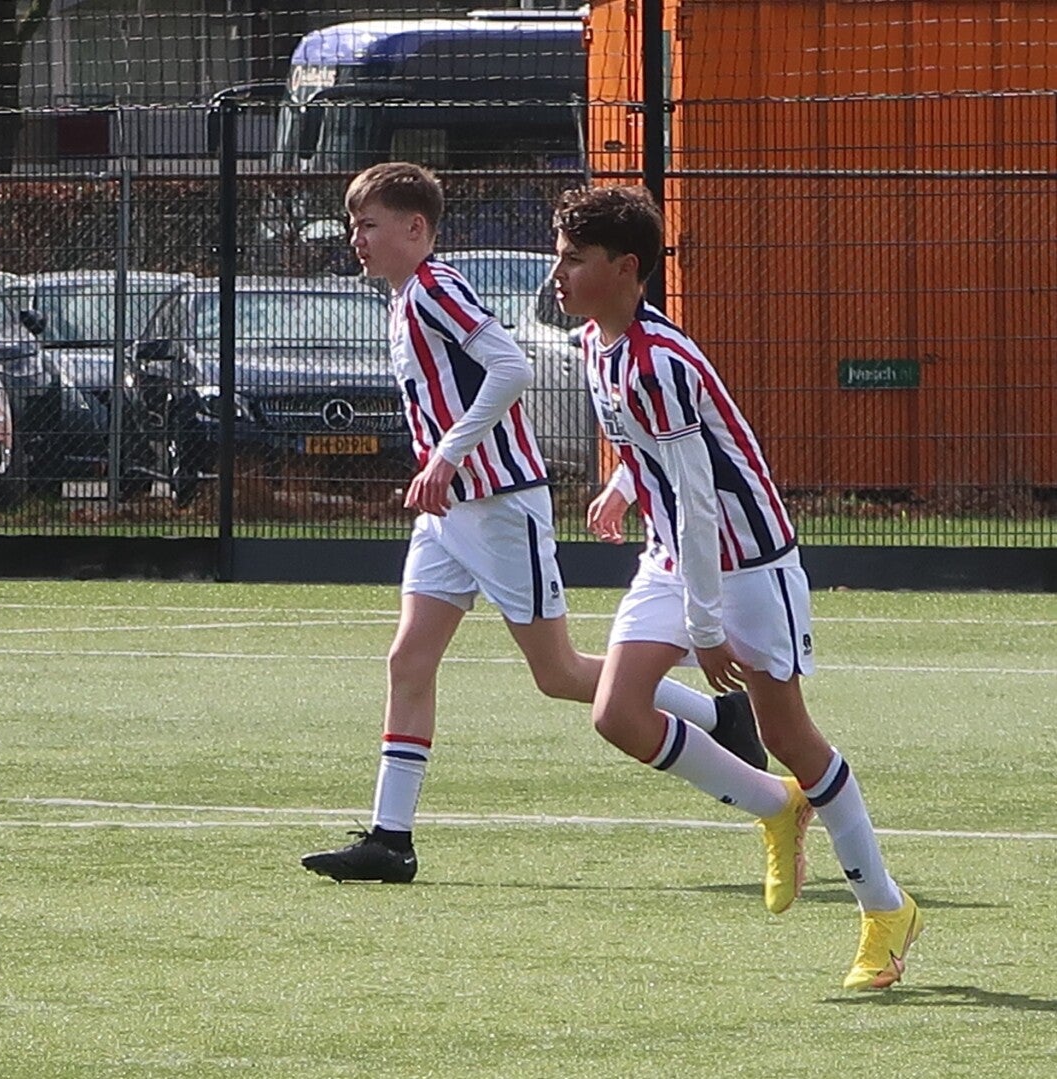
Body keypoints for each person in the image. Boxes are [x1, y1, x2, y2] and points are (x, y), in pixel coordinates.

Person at [301, 163, 764, 883]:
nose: (355, 238)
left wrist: (448, 456)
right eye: (353, 225)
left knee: (557, 673)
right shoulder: (405, 296)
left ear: (415, 229)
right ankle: (390, 840)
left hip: (498, 505)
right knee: (408, 659)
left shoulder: (434, 288)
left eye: (368, 225)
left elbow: (511, 367)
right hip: (449, 514)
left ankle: (718, 718)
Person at [554, 183, 920, 989]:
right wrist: (620, 485)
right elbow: (654, 457)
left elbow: (696, 496)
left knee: (790, 734)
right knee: (616, 713)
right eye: (560, 256)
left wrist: (704, 621)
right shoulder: (593, 343)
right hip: (672, 556)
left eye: (574, 259)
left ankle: (885, 910)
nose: (558, 273)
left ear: (626, 268)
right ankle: (773, 804)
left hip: (747, 566)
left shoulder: (657, 362)